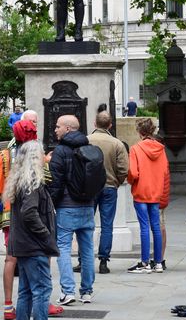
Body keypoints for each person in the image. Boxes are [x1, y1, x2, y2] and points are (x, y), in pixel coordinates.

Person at [0, 118, 63, 320]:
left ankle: (7, 305)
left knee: (11, 259)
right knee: (39, 271)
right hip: (31, 222)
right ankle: (43, 310)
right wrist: (47, 235)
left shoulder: (4, 154)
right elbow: (47, 182)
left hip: (8, 213)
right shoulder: (34, 157)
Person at [5, 139, 59, 320]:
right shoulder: (32, 183)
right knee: (42, 289)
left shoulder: (21, 181)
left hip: (24, 244)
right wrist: (45, 234)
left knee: (26, 290)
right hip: (34, 245)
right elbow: (29, 213)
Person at [48, 114, 98, 304]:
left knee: (63, 248)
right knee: (87, 249)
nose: (55, 129)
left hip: (67, 207)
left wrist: (51, 203)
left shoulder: (60, 151)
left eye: (58, 126)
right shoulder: (90, 148)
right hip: (87, 206)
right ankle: (86, 291)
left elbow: (55, 182)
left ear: (68, 129)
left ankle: (68, 292)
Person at [86, 111, 128, 274]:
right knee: (107, 225)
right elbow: (124, 168)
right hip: (109, 187)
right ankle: (104, 260)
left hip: (89, 188)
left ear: (95, 124)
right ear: (110, 125)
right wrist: (116, 182)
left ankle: (84, 260)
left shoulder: (86, 141)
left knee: (86, 225)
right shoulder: (117, 143)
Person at [127, 118, 170, 274]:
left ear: (140, 132)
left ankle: (145, 262)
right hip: (156, 191)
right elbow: (165, 171)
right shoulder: (161, 149)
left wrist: (132, 181)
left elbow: (133, 172)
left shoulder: (136, 149)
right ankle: (158, 262)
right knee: (156, 227)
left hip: (141, 191)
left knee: (144, 227)